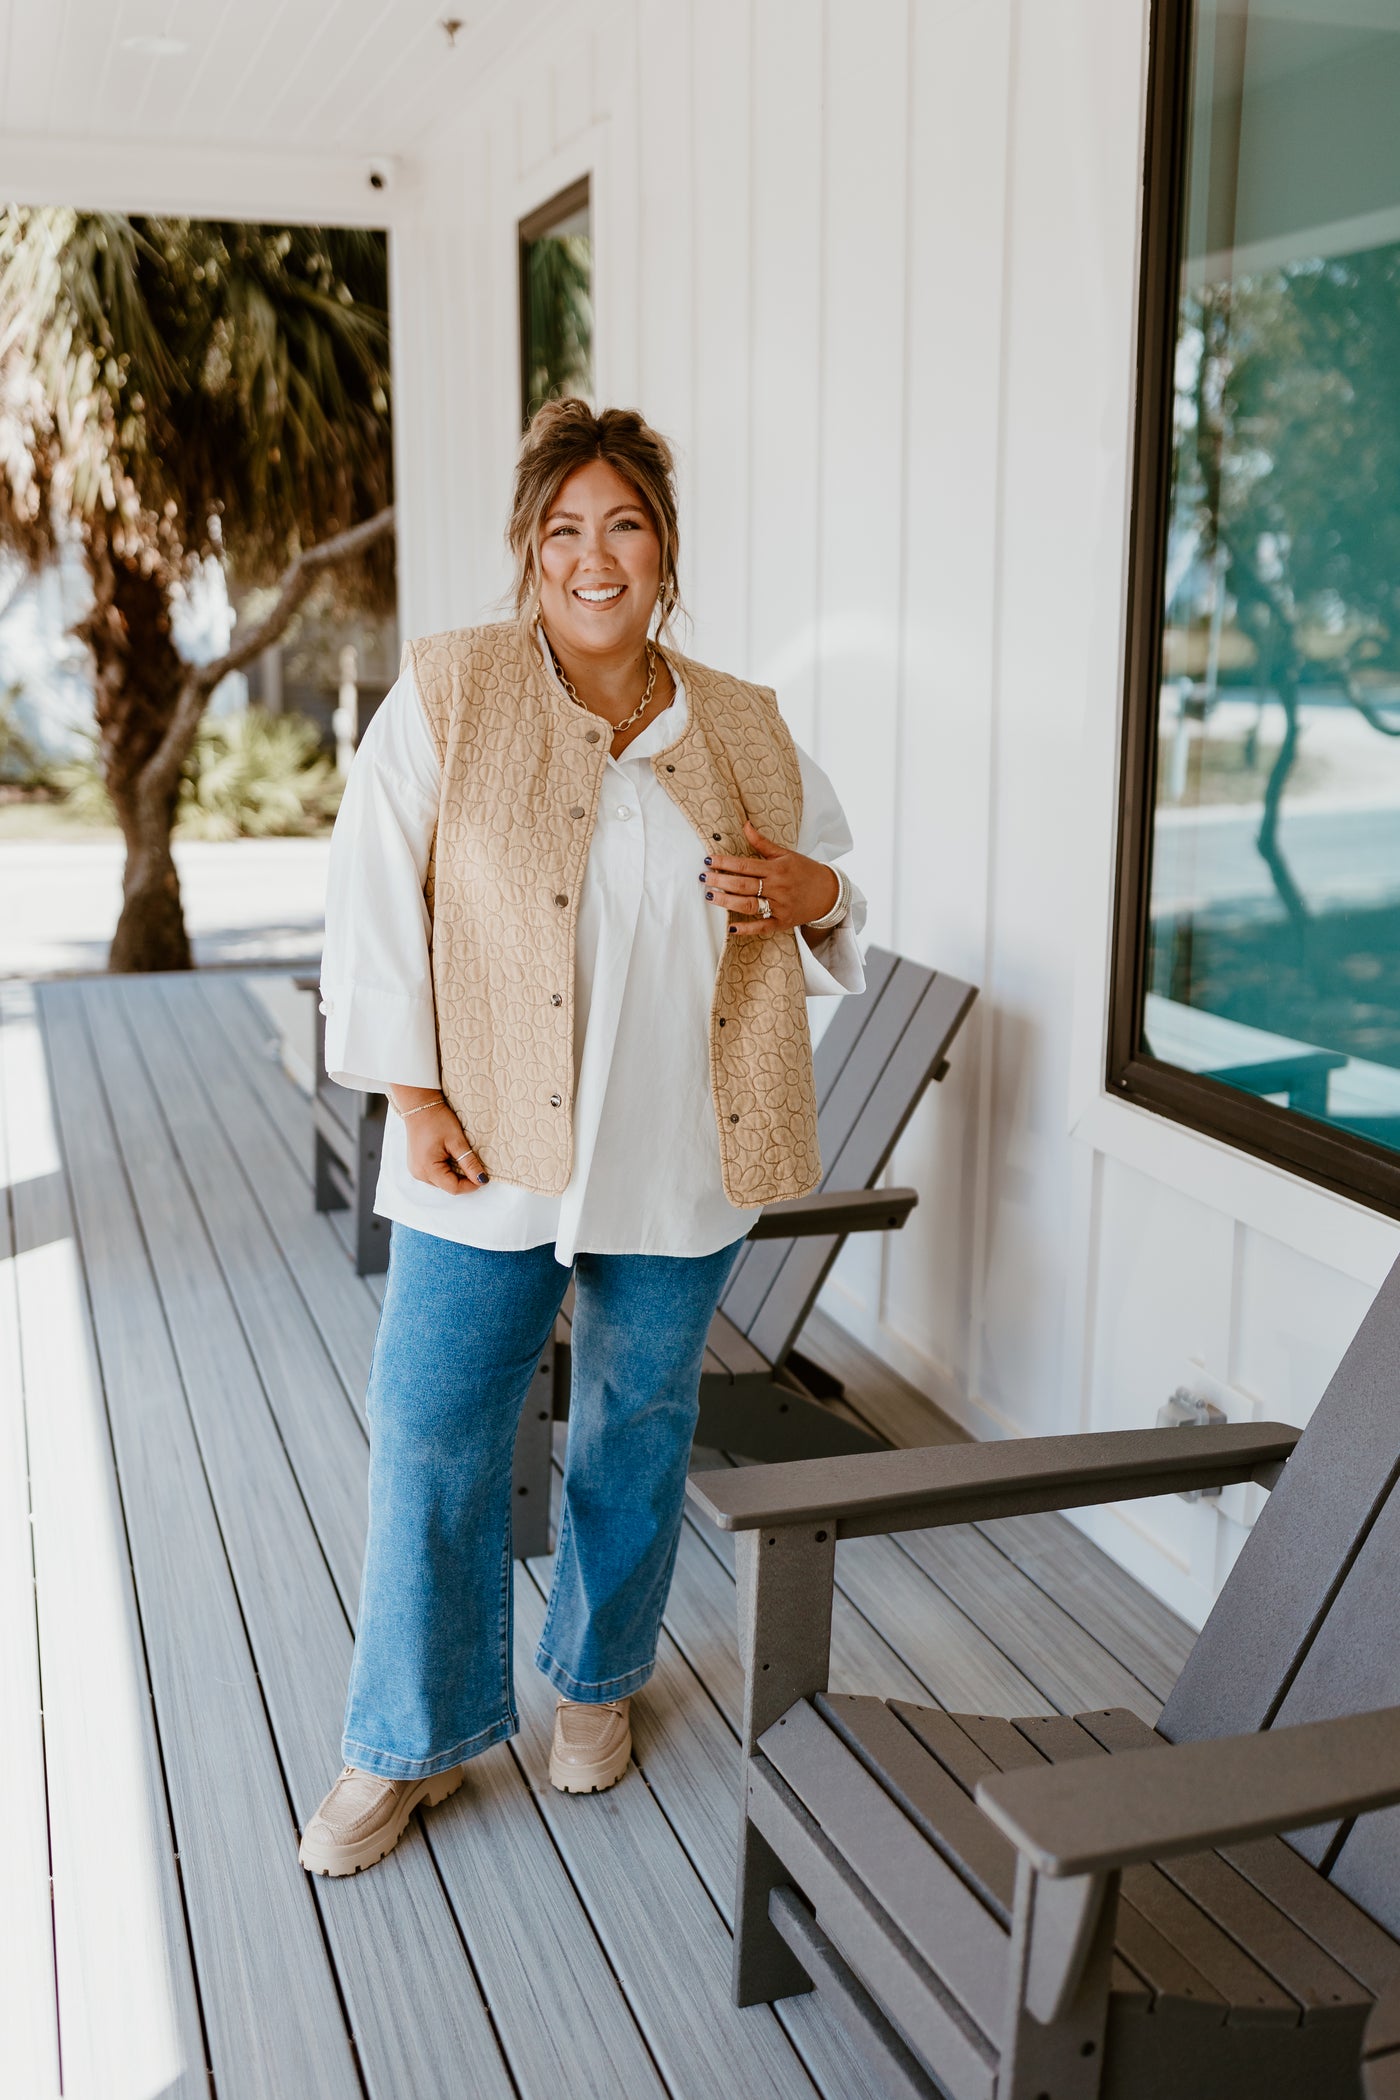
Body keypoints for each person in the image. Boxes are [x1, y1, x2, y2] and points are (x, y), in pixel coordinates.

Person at [299, 399, 865, 1877]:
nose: (593, 556)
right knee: (431, 1426)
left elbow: (824, 892)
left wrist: (810, 894)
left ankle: (599, 1685)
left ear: (663, 551)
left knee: (637, 1426)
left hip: (684, 1144)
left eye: (623, 525)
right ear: (528, 551)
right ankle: (402, 1746)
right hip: (488, 1147)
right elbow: (371, 903)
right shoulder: (451, 692)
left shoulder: (739, 719)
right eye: (564, 529)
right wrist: (410, 1098)